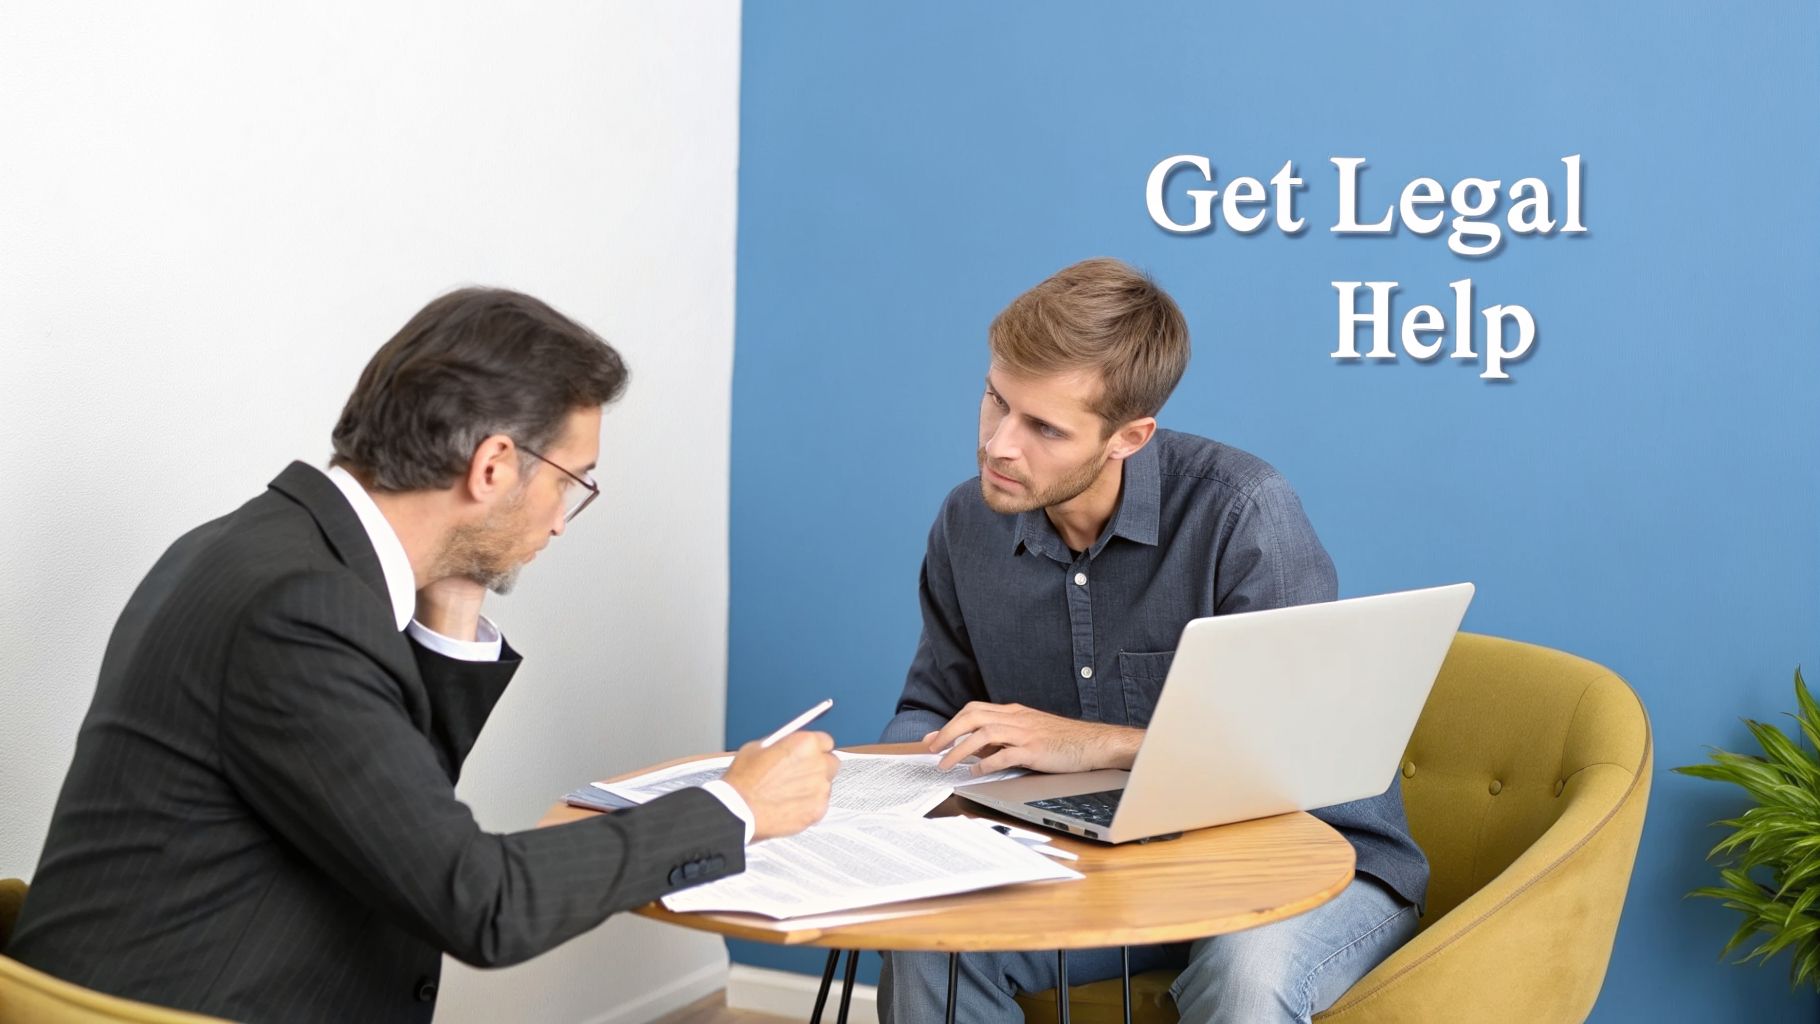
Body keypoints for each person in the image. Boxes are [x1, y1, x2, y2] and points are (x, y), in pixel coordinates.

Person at [8, 288, 840, 1023]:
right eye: (572, 484)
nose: (559, 521)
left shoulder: (250, 546)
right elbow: (480, 901)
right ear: (492, 466)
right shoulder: (300, 609)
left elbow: (395, 817)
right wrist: (736, 808)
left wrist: (452, 597)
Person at [877, 259, 1426, 1023]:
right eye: (996, 400)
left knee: (1245, 976)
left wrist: (1094, 744)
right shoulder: (968, 524)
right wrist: (879, 791)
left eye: (1044, 427)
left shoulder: (1242, 514)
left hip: (1312, 862)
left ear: (1128, 437)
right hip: (1105, 863)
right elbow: (932, 703)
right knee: (933, 941)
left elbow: (1297, 757)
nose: (1000, 446)